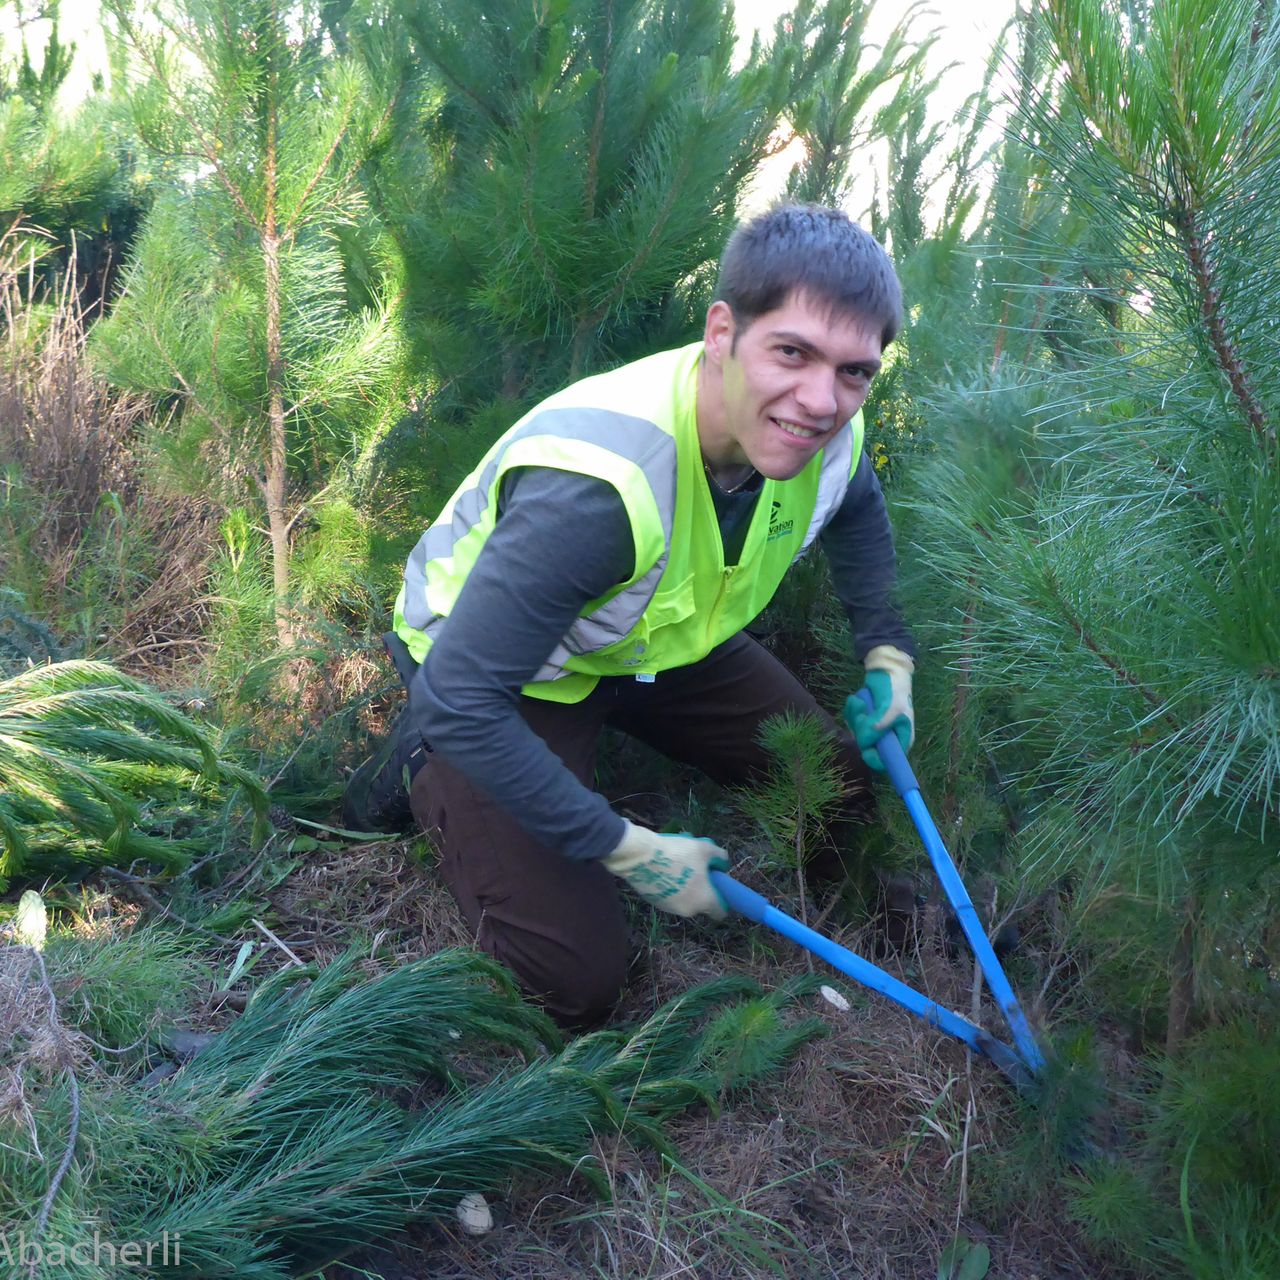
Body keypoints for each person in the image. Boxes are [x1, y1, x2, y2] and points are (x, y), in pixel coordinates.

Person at [345, 203, 917, 1029]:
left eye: (854, 372)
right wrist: (627, 847)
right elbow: (462, 697)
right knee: (572, 979)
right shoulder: (599, 488)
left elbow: (858, 511)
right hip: (509, 673)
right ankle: (415, 766)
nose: (822, 400)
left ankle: (893, 927)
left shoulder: (826, 437)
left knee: (836, 780)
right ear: (722, 333)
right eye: (791, 353)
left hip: (650, 646)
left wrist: (888, 656)